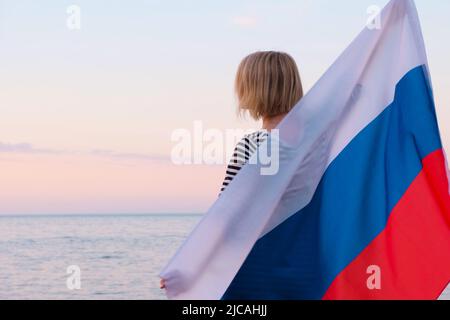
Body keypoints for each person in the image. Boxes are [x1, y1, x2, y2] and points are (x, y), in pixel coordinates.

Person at [160, 50, 303, 291]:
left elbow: (225, 216)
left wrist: (188, 269)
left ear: (256, 89)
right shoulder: (317, 143)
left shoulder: (254, 146)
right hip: (307, 265)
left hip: (261, 268)